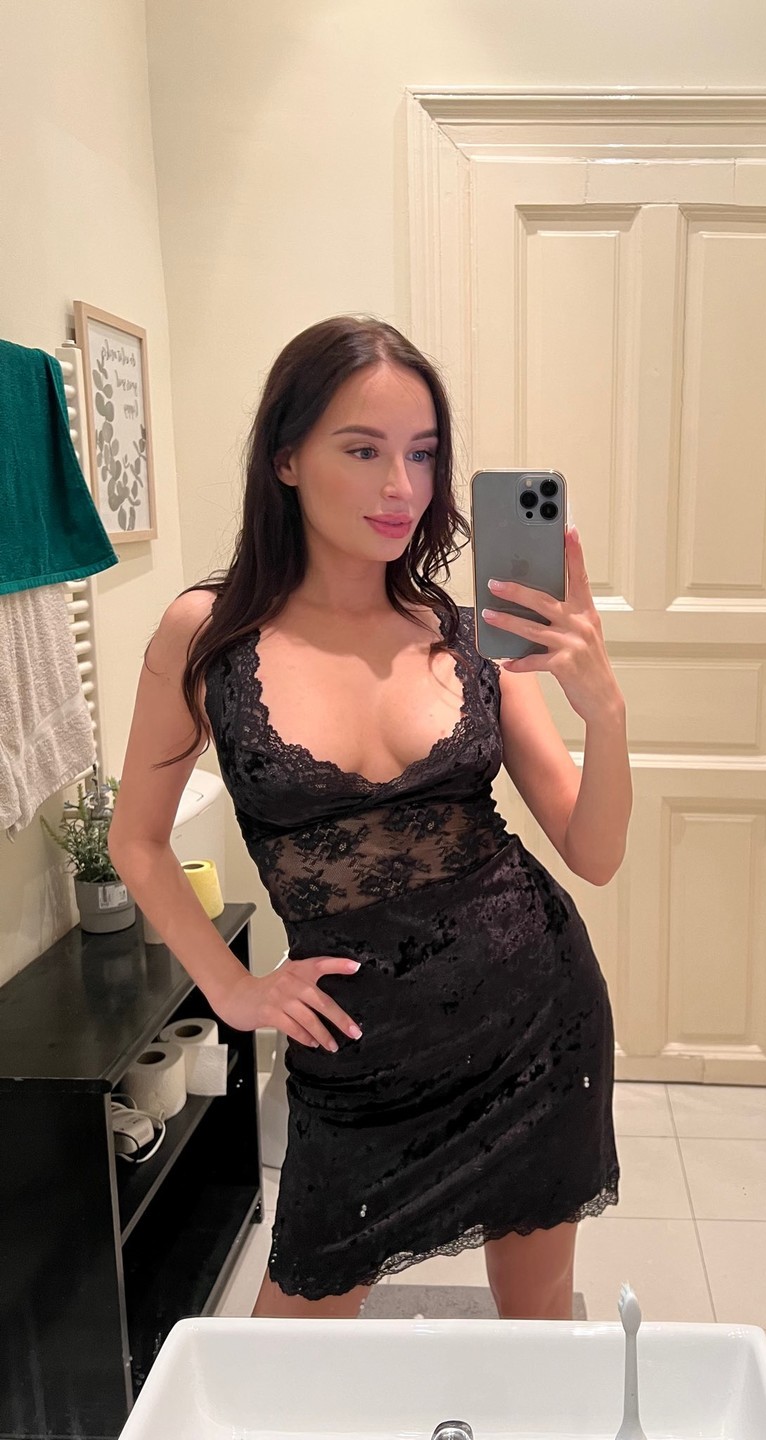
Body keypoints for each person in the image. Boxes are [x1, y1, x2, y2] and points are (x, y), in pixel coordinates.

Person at [108, 315, 632, 1322]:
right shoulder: (206, 636)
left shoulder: (468, 634)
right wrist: (231, 989)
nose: (402, 487)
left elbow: (594, 851)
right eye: (364, 451)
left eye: (423, 454)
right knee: (289, 1343)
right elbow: (136, 839)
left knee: (538, 1324)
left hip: (534, 1018)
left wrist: (603, 709)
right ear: (287, 458)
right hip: (355, 1059)